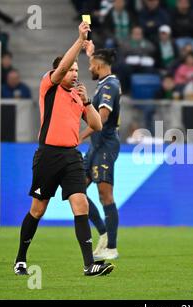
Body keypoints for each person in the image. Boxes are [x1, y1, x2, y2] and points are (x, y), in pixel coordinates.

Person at [13, 22, 114, 277]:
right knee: (38, 209)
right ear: (59, 70)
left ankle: (89, 264)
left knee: (80, 205)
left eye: (78, 70)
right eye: (71, 69)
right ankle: (21, 259)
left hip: (71, 156)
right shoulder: (50, 86)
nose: (75, 73)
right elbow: (62, 68)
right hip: (47, 155)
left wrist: (87, 101)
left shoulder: (76, 95)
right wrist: (80, 41)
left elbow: (97, 124)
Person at [79, 40, 122, 260]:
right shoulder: (104, 81)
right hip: (95, 144)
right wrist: (90, 51)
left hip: (105, 143)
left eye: (91, 64)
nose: (89, 68)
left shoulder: (110, 86)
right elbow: (95, 60)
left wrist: (79, 136)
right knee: (77, 190)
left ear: (99, 65)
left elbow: (103, 118)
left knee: (105, 194)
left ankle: (111, 247)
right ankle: (104, 233)